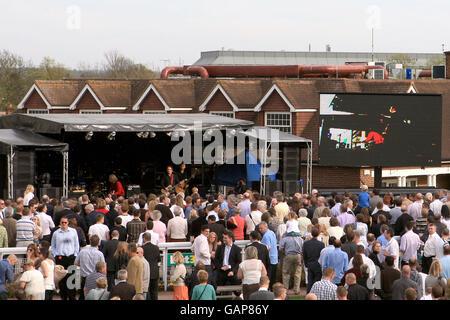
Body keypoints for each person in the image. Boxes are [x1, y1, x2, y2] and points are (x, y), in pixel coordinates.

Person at [51, 216, 79, 300]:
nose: (63, 224)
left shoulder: (73, 231)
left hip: (71, 257)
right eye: (62, 222)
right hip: (60, 257)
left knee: (71, 278)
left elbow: (76, 244)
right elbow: (53, 245)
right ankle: (63, 296)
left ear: (68, 223)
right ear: (60, 223)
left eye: (65, 222)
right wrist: (55, 254)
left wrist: (75, 254)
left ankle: (72, 296)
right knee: (62, 278)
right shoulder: (56, 233)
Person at [75, 234, 105, 300]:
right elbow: (103, 266)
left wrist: (82, 265)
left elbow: (76, 263)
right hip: (96, 277)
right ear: (98, 242)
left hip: (85, 277)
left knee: (83, 295)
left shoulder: (82, 251)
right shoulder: (100, 254)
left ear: (90, 241)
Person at [279, 230, 303, 295]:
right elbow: (303, 247)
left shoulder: (285, 239)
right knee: (297, 273)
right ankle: (296, 290)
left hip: (288, 256)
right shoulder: (300, 239)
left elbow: (280, 248)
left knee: (286, 272)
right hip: (298, 256)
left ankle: (285, 289)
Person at [303, 227, 325, 292]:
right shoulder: (321, 244)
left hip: (311, 264)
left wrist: (306, 264)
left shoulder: (306, 243)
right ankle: (315, 294)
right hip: (316, 264)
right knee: (317, 281)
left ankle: (309, 294)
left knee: (310, 281)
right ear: (318, 234)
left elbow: (304, 255)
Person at [259, 221, 278, 289]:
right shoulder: (272, 232)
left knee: (268, 278)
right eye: (259, 228)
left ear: (266, 227)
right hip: (274, 258)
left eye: (261, 228)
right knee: (273, 278)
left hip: (270, 258)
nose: (260, 230)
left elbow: (268, 248)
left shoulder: (266, 236)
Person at [142, 232, 161, 300]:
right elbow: (159, 259)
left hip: (146, 272)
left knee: (147, 291)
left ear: (144, 239)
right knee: (154, 292)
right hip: (155, 271)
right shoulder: (156, 247)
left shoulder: (142, 248)